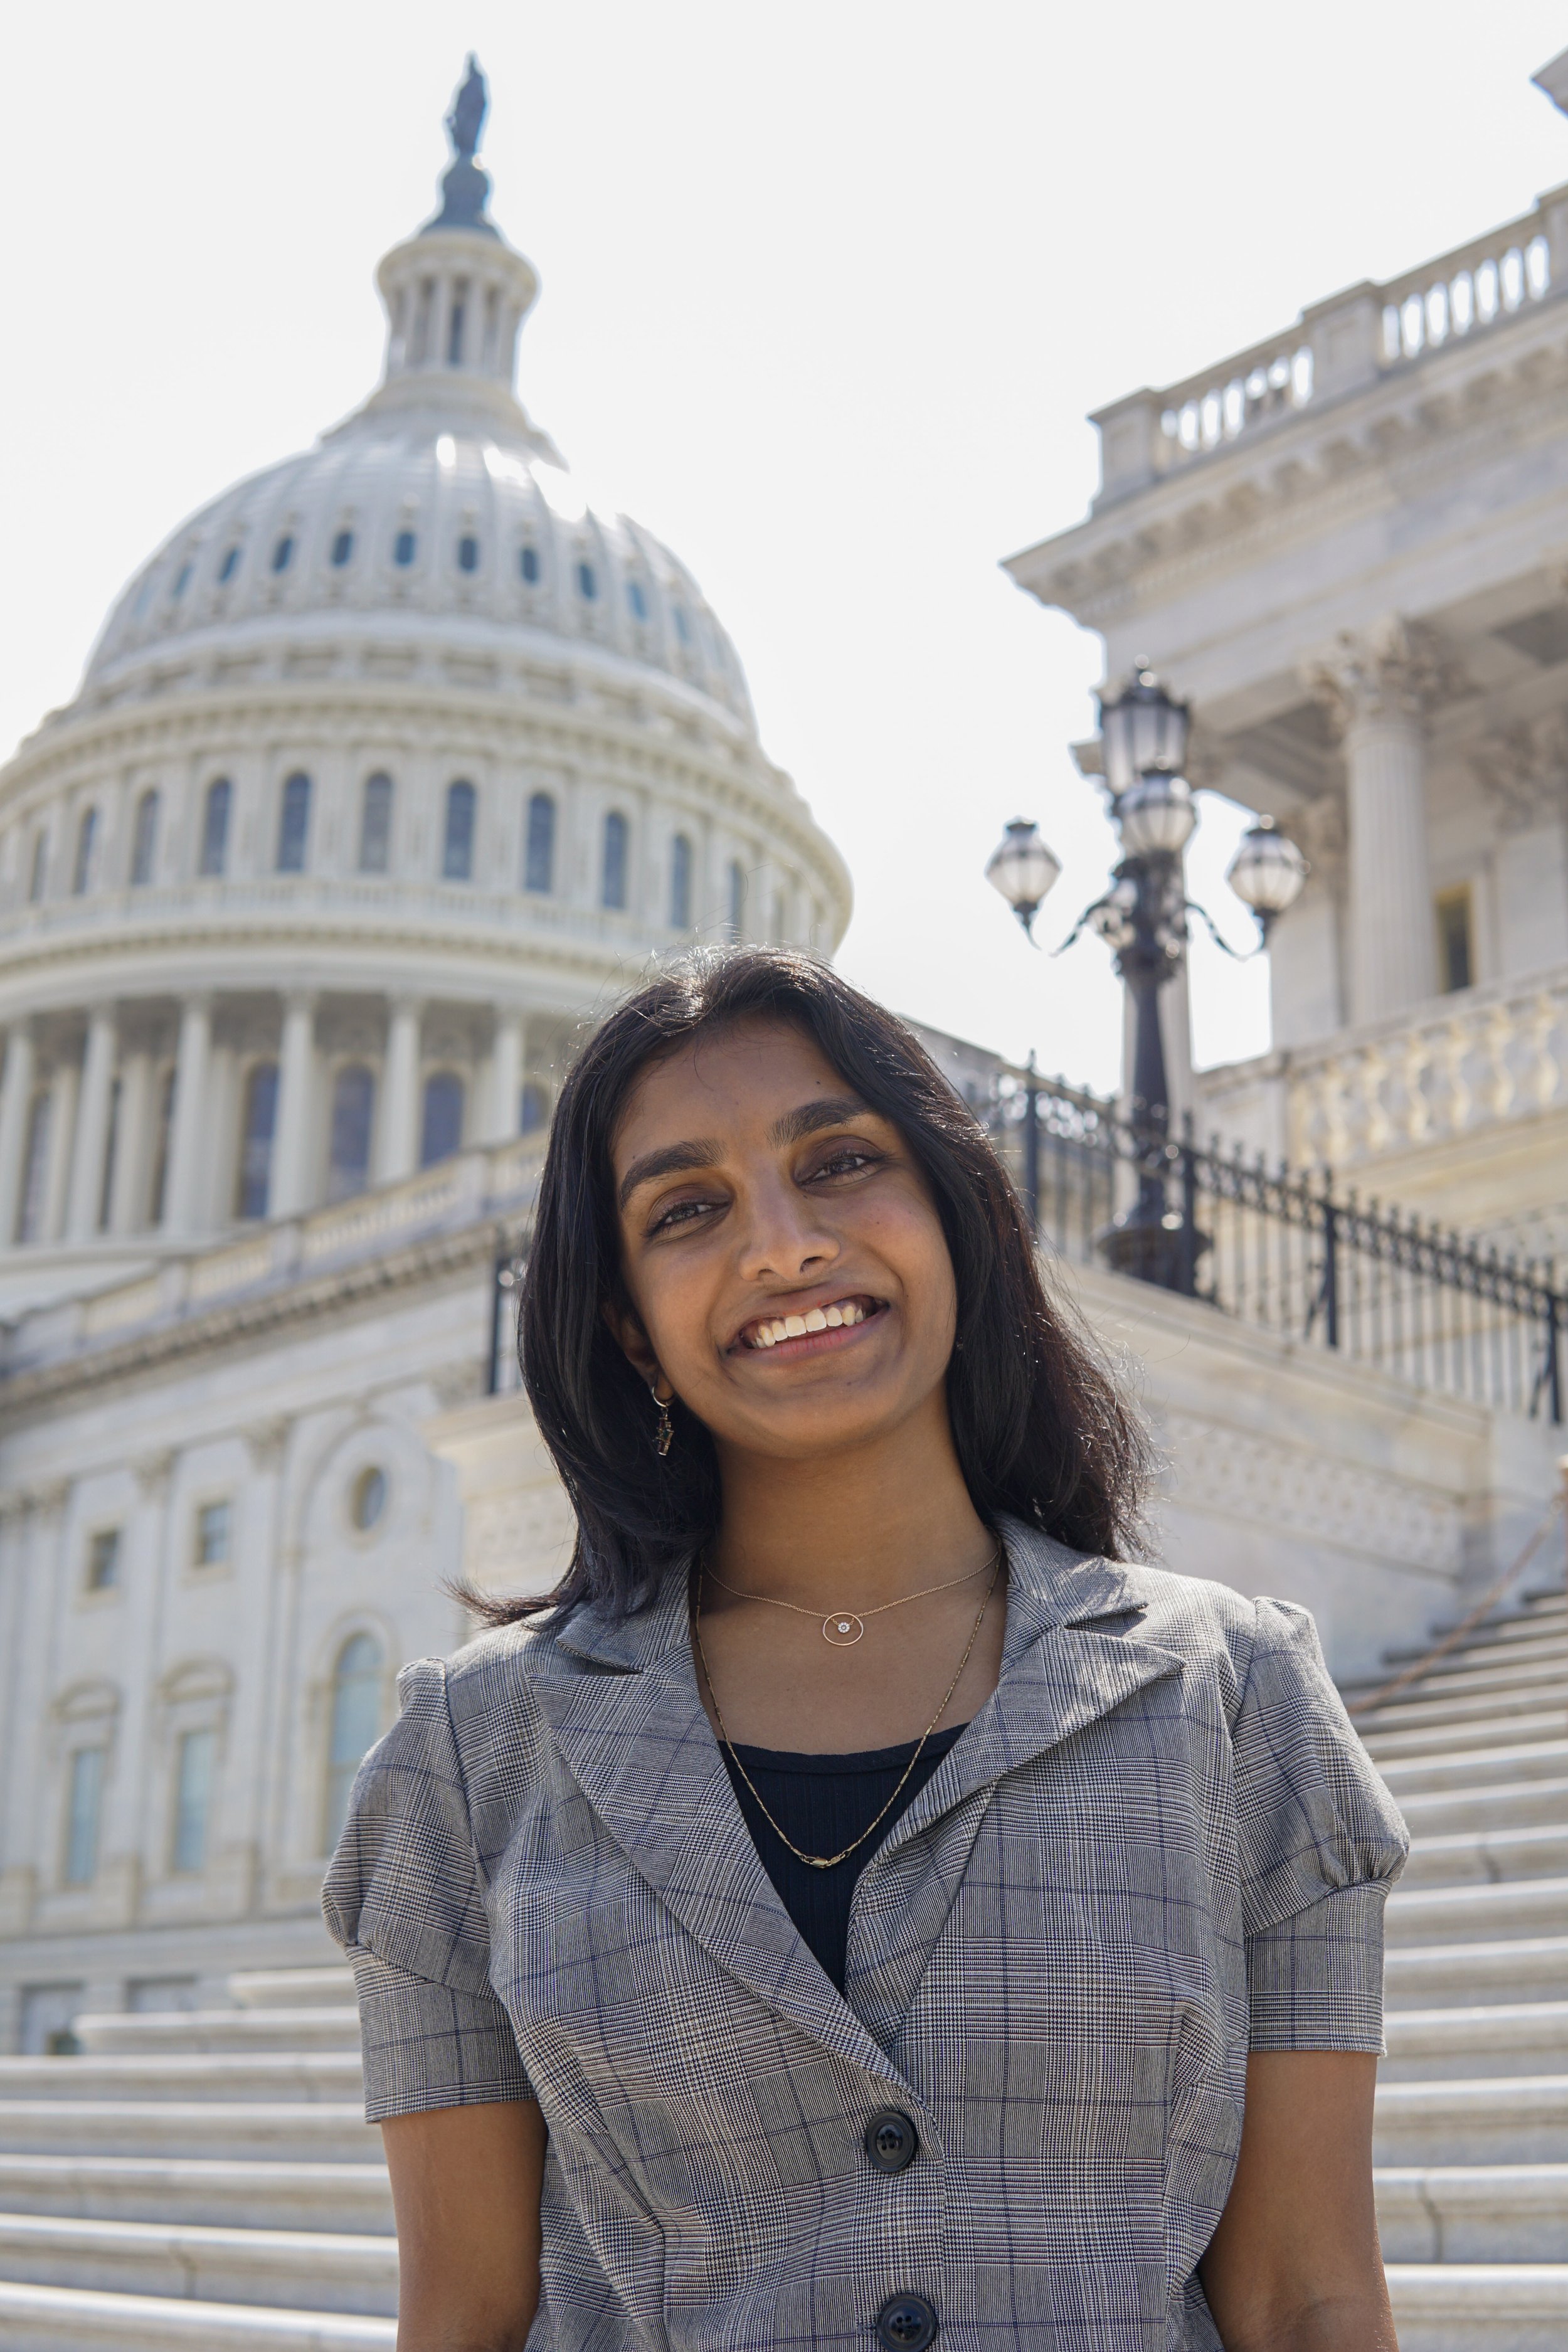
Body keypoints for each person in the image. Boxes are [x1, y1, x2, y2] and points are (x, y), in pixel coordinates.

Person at [325, 947, 1407, 2352]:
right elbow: (466, 2315)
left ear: (953, 1215)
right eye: (689, 1209)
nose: (781, 1245)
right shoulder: (470, 1760)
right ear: (629, 1331)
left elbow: (1307, 2293)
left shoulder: (1237, 1698)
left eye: (837, 1162)